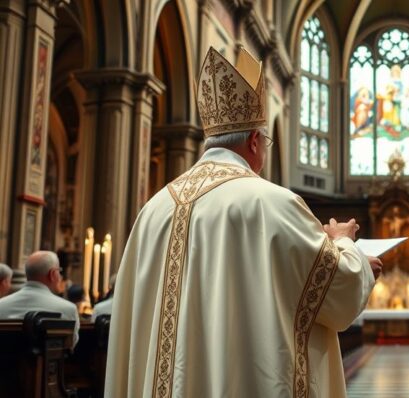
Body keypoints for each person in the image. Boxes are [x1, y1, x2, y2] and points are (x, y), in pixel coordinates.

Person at [105, 47, 381, 398]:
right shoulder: (273, 203)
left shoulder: (153, 210)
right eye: (265, 142)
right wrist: (343, 242)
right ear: (254, 141)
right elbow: (338, 295)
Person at [0, 251, 79, 346]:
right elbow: (70, 346)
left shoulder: (1, 305)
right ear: (53, 274)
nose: (60, 276)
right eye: (59, 271)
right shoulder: (68, 309)